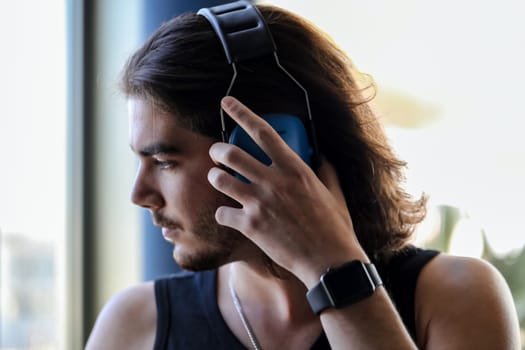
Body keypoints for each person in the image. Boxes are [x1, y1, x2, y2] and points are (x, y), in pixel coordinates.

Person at [85, 2, 521, 349]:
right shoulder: (135, 325)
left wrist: (333, 274)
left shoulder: (455, 297)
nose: (140, 194)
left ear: (274, 144)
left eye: (164, 162)